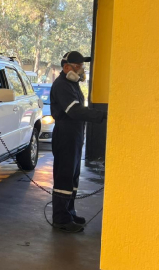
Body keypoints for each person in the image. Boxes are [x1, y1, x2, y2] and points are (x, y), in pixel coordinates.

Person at [50, 51, 107, 232]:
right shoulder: (62, 85)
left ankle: (69, 212)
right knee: (64, 176)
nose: (82, 70)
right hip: (65, 135)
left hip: (75, 135)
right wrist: (102, 115)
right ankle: (61, 218)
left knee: (73, 177)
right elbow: (74, 111)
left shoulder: (71, 85)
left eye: (82, 66)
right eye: (79, 66)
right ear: (67, 67)